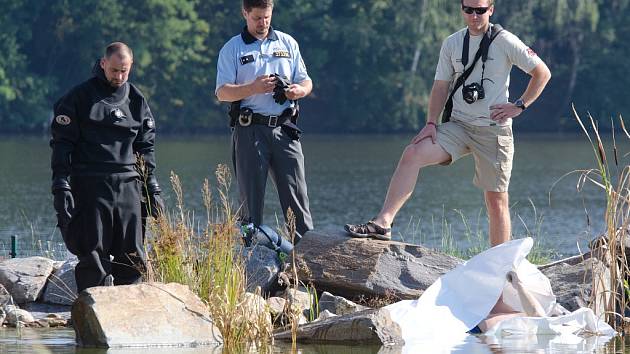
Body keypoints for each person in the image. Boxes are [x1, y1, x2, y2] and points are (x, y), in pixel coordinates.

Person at [346, 0, 551, 246]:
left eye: (480, 10)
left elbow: (542, 73)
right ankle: (383, 223)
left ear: (491, 10)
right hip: (459, 126)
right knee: (412, 154)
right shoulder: (452, 43)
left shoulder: (505, 40)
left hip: (493, 131)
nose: (474, 16)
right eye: (469, 10)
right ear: (462, 9)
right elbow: (440, 86)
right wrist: (431, 122)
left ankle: (499, 267)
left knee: (496, 200)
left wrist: (519, 105)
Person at [50, 42, 164, 292]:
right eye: (114, 70)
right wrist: (61, 184)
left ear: (131, 66)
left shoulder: (135, 99)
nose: (119, 77)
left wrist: (151, 186)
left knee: (132, 256)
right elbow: (61, 145)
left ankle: (128, 315)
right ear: (103, 64)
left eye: (124, 71)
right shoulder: (78, 98)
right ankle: (92, 314)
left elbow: (145, 146)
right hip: (90, 183)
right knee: (93, 254)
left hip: (128, 185)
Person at [215, 0, 314, 241]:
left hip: (285, 129)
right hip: (250, 131)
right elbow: (222, 92)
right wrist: (253, 88)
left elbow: (306, 81)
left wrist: (297, 91)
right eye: (257, 18)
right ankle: (251, 260)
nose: (263, 23)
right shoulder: (233, 48)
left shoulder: (287, 42)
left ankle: (308, 265)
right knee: (251, 205)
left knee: (297, 199)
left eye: (267, 17)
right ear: (245, 13)